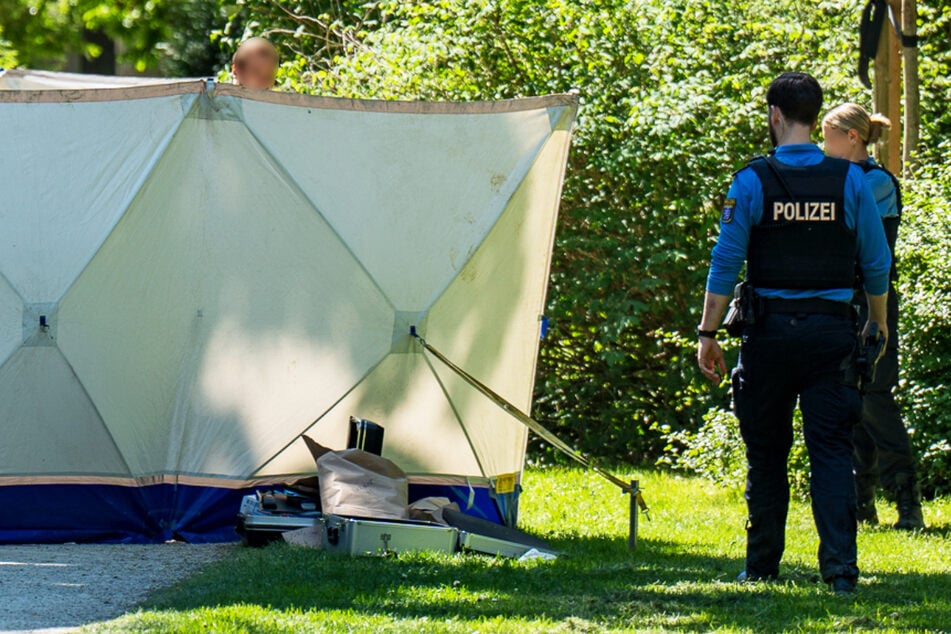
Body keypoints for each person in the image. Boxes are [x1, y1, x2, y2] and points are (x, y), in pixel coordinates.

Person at [696, 72, 891, 595]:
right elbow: (876, 262)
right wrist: (877, 321)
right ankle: (841, 572)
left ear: (775, 115)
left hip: (769, 337)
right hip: (832, 336)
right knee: (831, 453)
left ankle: (762, 566)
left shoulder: (751, 181)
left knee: (766, 454)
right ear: (815, 115)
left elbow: (725, 262)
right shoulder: (850, 180)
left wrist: (708, 332)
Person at [821, 104, 925, 530]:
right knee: (850, 397)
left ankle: (908, 502)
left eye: (828, 138)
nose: (823, 147)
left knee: (876, 398)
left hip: (873, 302)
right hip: (840, 302)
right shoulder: (834, 178)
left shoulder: (877, 181)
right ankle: (861, 504)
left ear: (852, 138)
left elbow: (858, 242)